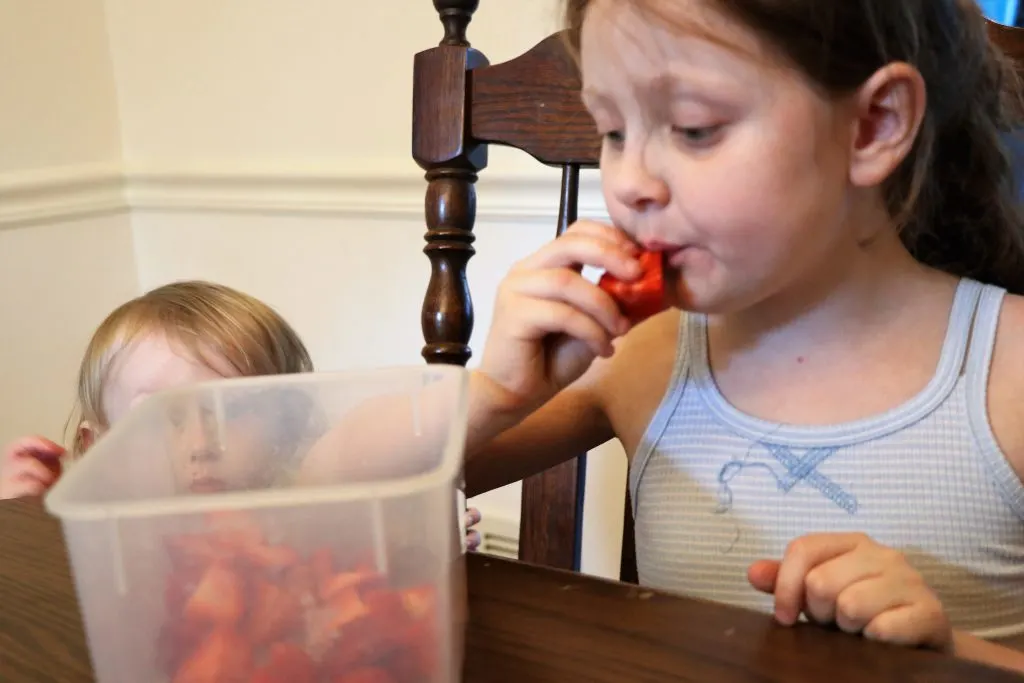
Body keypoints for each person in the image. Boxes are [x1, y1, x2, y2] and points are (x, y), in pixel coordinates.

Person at [307, 0, 1024, 673]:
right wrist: (493, 391)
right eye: (613, 132)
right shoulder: (645, 353)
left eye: (693, 128)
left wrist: (950, 651)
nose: (629, 182)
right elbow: (316, 497)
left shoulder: (1007, 368)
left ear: (872, 125)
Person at [0, 281, 483, 549]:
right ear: (96, 447)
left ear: (286, 424)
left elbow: (359, 550)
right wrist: (20, 521)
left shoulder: (303, 502)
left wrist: (417, 543)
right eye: (160, 417)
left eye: (233, 410)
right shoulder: (95, 527)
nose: (202, 442)